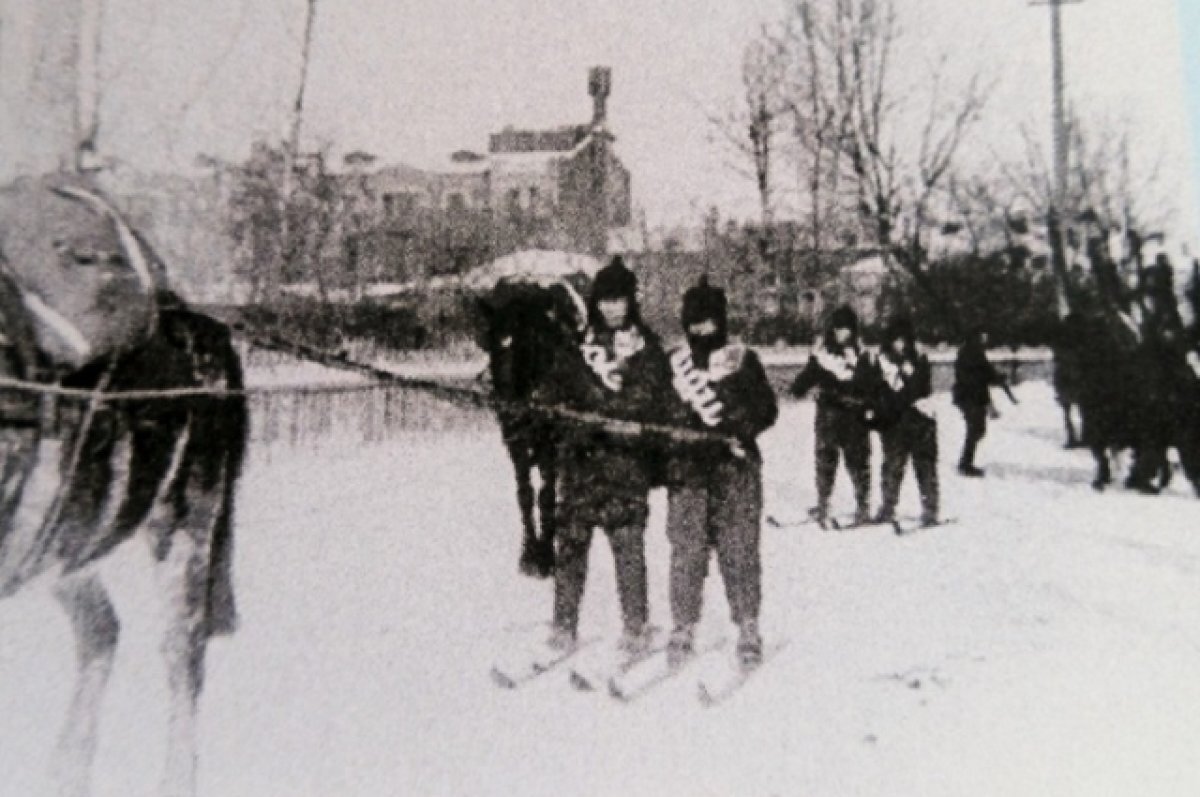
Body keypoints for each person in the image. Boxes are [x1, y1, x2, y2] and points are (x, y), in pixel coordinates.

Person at [535, 256, 672, 653]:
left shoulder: (647, 347)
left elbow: (652, 398)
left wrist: (610, 415)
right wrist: (551, 407)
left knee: (627, 545)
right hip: (580, 461)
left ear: (631, 302)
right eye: (605, 300)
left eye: (619, 300)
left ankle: (636, 626)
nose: (612, 308)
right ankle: (563, 626)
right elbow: (554, 388)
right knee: (572, 545)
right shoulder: (579, 345)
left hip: (625, 462)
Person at [663, 278, 778, 669]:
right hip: (688, 471)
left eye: (708, 321)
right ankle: (682, 626)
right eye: (694, 323)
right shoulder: (674, 363)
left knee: (739, 550)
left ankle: (748, 626)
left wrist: (736, 427)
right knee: (686, 551)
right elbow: (657, 412)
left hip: (735, 468)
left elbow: (766, 408)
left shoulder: (743, 359)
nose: (701, 330)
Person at [789, 306, 876, 526]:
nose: (842, 334)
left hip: (855, 418)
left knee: (858, 461)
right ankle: (823, 502)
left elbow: (871, 385)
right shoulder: (823, 355)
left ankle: (863, 505)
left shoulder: (863, 355)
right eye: (838, 329)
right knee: (825, 461)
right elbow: (807, 377)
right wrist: (797, 388)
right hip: (828, 416)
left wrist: (867, 402)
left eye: (846, 329)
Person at [871, 317, 939, 526]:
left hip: (921, 420)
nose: (900, 345)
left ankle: (930, 510)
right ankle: (888, 507)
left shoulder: (919, 360)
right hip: (894, 422)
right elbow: (877, 390)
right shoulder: (881, 361)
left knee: (925, 467)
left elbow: (921, 388)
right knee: (892, 466)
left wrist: (905, 382)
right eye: (896, 340)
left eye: (904, 340)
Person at [952, 327, 1008, 477]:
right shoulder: (970, 353)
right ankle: (965, 464)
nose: (986, 338)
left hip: (973, 396)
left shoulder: (976, 352)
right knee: (975, 429)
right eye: (983, 335)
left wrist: (996, 378)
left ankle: (965, 462)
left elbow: (986, 372)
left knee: (977, 429)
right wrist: (992, 380)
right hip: (969, 396)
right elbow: (976, 377)